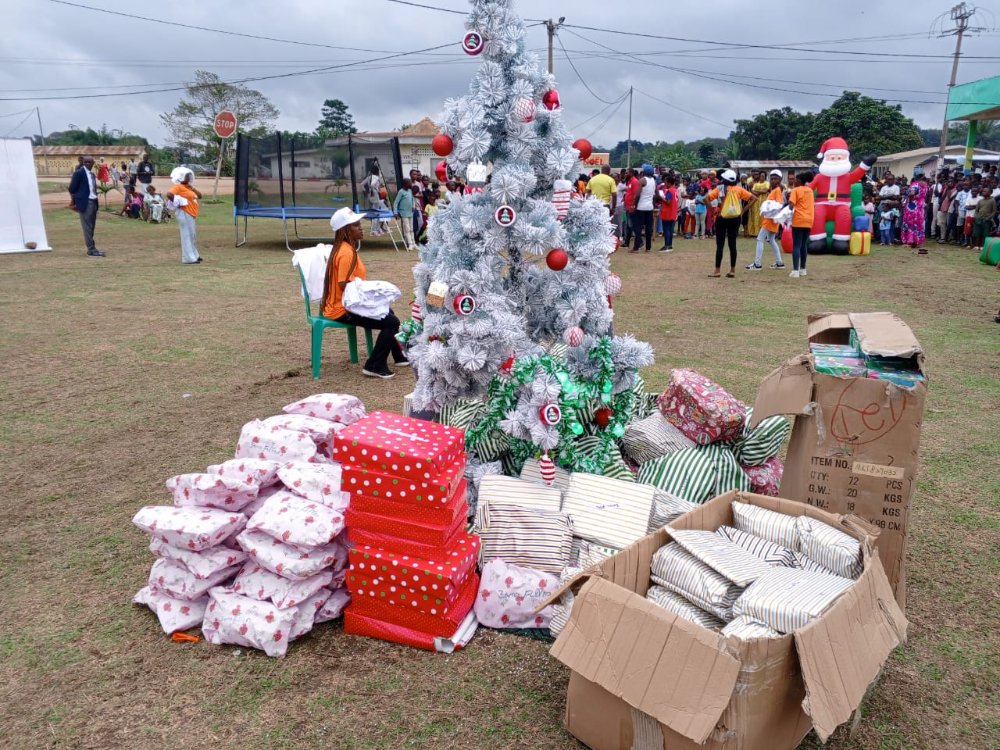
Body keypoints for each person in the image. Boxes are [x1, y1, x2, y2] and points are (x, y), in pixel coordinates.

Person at [321, 207, 408, 379]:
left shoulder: (346, 248)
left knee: (388, 311)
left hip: (342, 304)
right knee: (392, 322)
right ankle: (374, 365)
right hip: (341, 309)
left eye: (359, 224)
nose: (361, 228)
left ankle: (399, 356)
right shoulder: (346, 252)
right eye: (355, 225)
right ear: (345, 230)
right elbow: (343, 284)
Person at [706, 169, 756, 277]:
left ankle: (717, 271)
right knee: (732, 245)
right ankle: (732, 270)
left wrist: (713, 211)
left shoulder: (720, 189)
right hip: (735, 218)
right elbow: (754, 198)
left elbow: (706, 199)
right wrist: (743, 210)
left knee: (720, 245)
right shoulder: (739, 189)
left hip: (721, 218)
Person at [746, 169, 786, 271]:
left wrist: (769, 210)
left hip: (769, 220)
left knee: (760, 239)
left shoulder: (777, 190)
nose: (773, 181)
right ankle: (779, 263)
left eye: (775, 179)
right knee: (771, 240)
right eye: (771, 179)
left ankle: (757, 264)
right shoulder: (774, 190)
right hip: (772, 220)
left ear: (780, 180)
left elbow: (780, 204)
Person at [67, 154, 105, 257]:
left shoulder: (92, 174)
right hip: (85, 203)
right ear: (83, 163)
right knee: (87, 227)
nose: (87, 164)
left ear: (93, 163)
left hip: (93, 202)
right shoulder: (78, 173)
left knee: (91, 226)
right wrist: (76, 200)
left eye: (89, 162)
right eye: (85, 162)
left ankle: (91, 248)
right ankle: (91, 250)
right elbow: (72, 189)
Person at [166, 168, 203, 264]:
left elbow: (200, 196)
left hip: (191, 213)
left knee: (192, 235)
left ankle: (194, 255)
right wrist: (177, 202)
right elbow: (169, 194)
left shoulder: (188, 187)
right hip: (184, 213)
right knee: (186, 235)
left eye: (189, 175)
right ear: (181, 177)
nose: (189, 177)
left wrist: (193, 188)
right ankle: (188, 258)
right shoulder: (178, 187)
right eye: (186, 176)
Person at [788, 171, 815, 278]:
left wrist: (789, 201)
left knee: (796, 245)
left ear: (799, 181)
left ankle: (795, 270)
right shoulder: (810, 190)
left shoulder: (795, 190)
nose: (794, 181)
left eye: (795, 179)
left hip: (799, 220)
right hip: (809, 220)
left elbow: (791, 206)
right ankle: (803, 269)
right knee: (804, 245)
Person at [630, 164, 656, 253]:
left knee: (638, 228)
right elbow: (654, 195)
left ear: (644, 171)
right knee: (648, 228)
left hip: (641, 207)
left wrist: (634, 204)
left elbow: (637, 194)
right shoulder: (653, 180)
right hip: (649, 207)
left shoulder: (642, 180)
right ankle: (648, 248)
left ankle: (636, 247)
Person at [901, 177, 928, 253]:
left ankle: (910, 241)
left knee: (910, 223)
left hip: (912, 207)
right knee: (918, 224)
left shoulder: (915, 184)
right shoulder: (925, 186)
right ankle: (916, 241)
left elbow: (911, 193)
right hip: (920, 207)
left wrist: (906, 191)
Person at [393, 178, 418, 251]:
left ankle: (414, 243)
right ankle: (410, 244)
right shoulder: (401, 192)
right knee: (407, 229)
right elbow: (396, 202)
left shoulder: (410, 191)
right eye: (409, 183)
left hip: (410, 212)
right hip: (404, 213)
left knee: (411, 228)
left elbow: (412, 199)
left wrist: (413, 206)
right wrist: (395, 212)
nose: (411, 184)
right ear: (405, 184)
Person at [656, 175, 678, 252]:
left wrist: (661, 197)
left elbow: (668, 202)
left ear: (669, 183)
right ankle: (670, 245)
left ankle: (667, 246)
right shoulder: (674, 190)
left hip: (668, 212)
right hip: (672, 212)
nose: (664, 183)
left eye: (665, 182)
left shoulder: (669, 191)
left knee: (666, 229)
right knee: (670, 229)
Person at [746, 170, 769, 238]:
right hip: (755, 202)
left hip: (764, 201)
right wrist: (760, 192)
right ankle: (755, 232)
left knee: (762, 217)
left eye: (763, 176)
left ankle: (763, 233)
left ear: (765, 177)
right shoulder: (755, 184)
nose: (762, 177)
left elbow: (766, 190)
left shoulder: (767, 183)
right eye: (761, 176)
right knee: (755, 216)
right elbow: (752, 191)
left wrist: (757, 191)